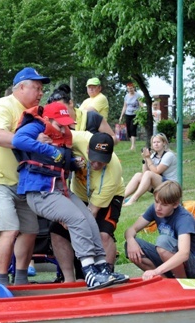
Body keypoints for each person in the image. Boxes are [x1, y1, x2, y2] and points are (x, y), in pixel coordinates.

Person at [12, 107, 128, 289]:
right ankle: (88, 271)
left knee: (89, 219)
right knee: (76, 219)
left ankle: (101, 267)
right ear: (49, 119)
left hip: (59, 189)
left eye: (67, 126)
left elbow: (62, 160)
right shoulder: (36, 127)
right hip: (39, 191)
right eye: (60, 125)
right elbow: (18, 139)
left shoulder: (65, 136)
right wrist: (45, 147)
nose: (64, 130)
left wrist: (73, 163)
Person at [0, 67, 50, 286]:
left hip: (21, 181)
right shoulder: (1, 106)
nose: (40, 92)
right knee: (9, 229)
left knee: (31, 230)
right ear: (21, 87)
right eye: (36, 87)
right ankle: (1, 282)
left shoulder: (36, 114)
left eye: (42, 88)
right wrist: (34, 143)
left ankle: (21, 279)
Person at [49, 131, 127, 282]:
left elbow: (91, 213)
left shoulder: (113, 173)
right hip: (79, 194)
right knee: (57, 231)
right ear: (87, 150)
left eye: (102, 161)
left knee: (101, 233)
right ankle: (69, 280)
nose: (97, 164)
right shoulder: (78, 139)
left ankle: (106, 273)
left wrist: (71, 221)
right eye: (94, 159)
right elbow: (55, 132)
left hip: (108, 197)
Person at [124, 181, 195, 279]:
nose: (158, 208)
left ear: (175, 204)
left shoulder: (184, 219)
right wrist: (130, 240)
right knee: (131, 245)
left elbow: (184, 254)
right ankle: (163, 280)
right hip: (169, 261)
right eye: (156, 201)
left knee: (163, 241)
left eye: (164, 205)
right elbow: (131, 229)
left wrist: (156, 271)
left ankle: (182, 284)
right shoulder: (155, 209)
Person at [123, 133, 178, 206]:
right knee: (138, 175)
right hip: (160, 185)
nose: (156, 144)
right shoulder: (153, 155)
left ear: (164, 143)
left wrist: (148, 158)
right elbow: (144, 174)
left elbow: (157, 171)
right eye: (154, 142)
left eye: (158, 142)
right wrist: (145, 159)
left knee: (149, 174)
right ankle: (120, 198)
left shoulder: (169, 155)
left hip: (171, 186)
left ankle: (133, 199)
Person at [47, 84, 115, 137]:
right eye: (55, 110)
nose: (60, 112)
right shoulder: (55, 125)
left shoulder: (92, 117)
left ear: (71, 103)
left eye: (61, 108)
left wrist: (97, 146)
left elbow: (113, 138)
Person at [119, 83, 142, 151]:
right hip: (127, 114)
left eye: (131, 88)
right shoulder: (126, 96)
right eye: (128, 88)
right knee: (128, 130)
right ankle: (132, 144)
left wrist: (142, 113)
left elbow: (141, 105)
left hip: (135, 114)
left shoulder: (138, 95)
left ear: (134, 88)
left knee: (133, 128)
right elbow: (125, 106)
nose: (130, 90)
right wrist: (121, 116)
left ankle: (133, 146)